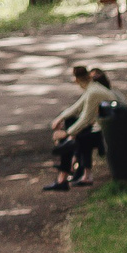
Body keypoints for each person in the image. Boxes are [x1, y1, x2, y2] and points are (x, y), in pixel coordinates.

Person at [46, 64, 108, 192]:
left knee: (74, 138)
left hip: (106, 133)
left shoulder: (93, 92)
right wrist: (60, 118)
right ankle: (67, 172)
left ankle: (63, 177)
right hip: (106, 128)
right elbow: (77, 107)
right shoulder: (92, 89)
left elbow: (86, 117)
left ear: (76, 79)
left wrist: (67, 133)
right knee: (71, 125)